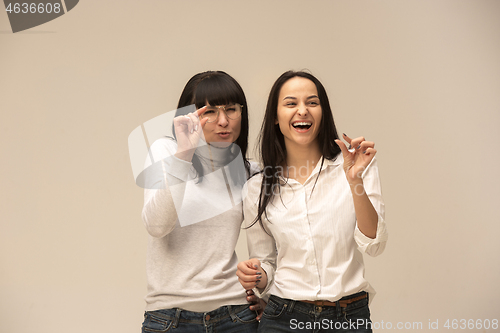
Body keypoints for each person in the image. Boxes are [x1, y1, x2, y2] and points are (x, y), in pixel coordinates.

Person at [236, 71, 388, 332]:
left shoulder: (356, 166)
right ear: (275, 116)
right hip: (283, 317)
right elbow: (266, 262)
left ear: (323, 112)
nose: (302, 111)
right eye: (291, 103)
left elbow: (374, 243)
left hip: (349, 317)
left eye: (312, 103)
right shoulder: (257, 188)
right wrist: (256, 275)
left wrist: (354, 181)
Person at [140, 71, 261, 332]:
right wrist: (184, 154)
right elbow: (157, 226)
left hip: (235, 316)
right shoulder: (166, 152)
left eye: (231, 109)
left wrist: (267, 295)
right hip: (170, 318)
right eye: (209, 112)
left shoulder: (251, 171)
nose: (223, 121)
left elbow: (275, 244)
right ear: (189, 115)